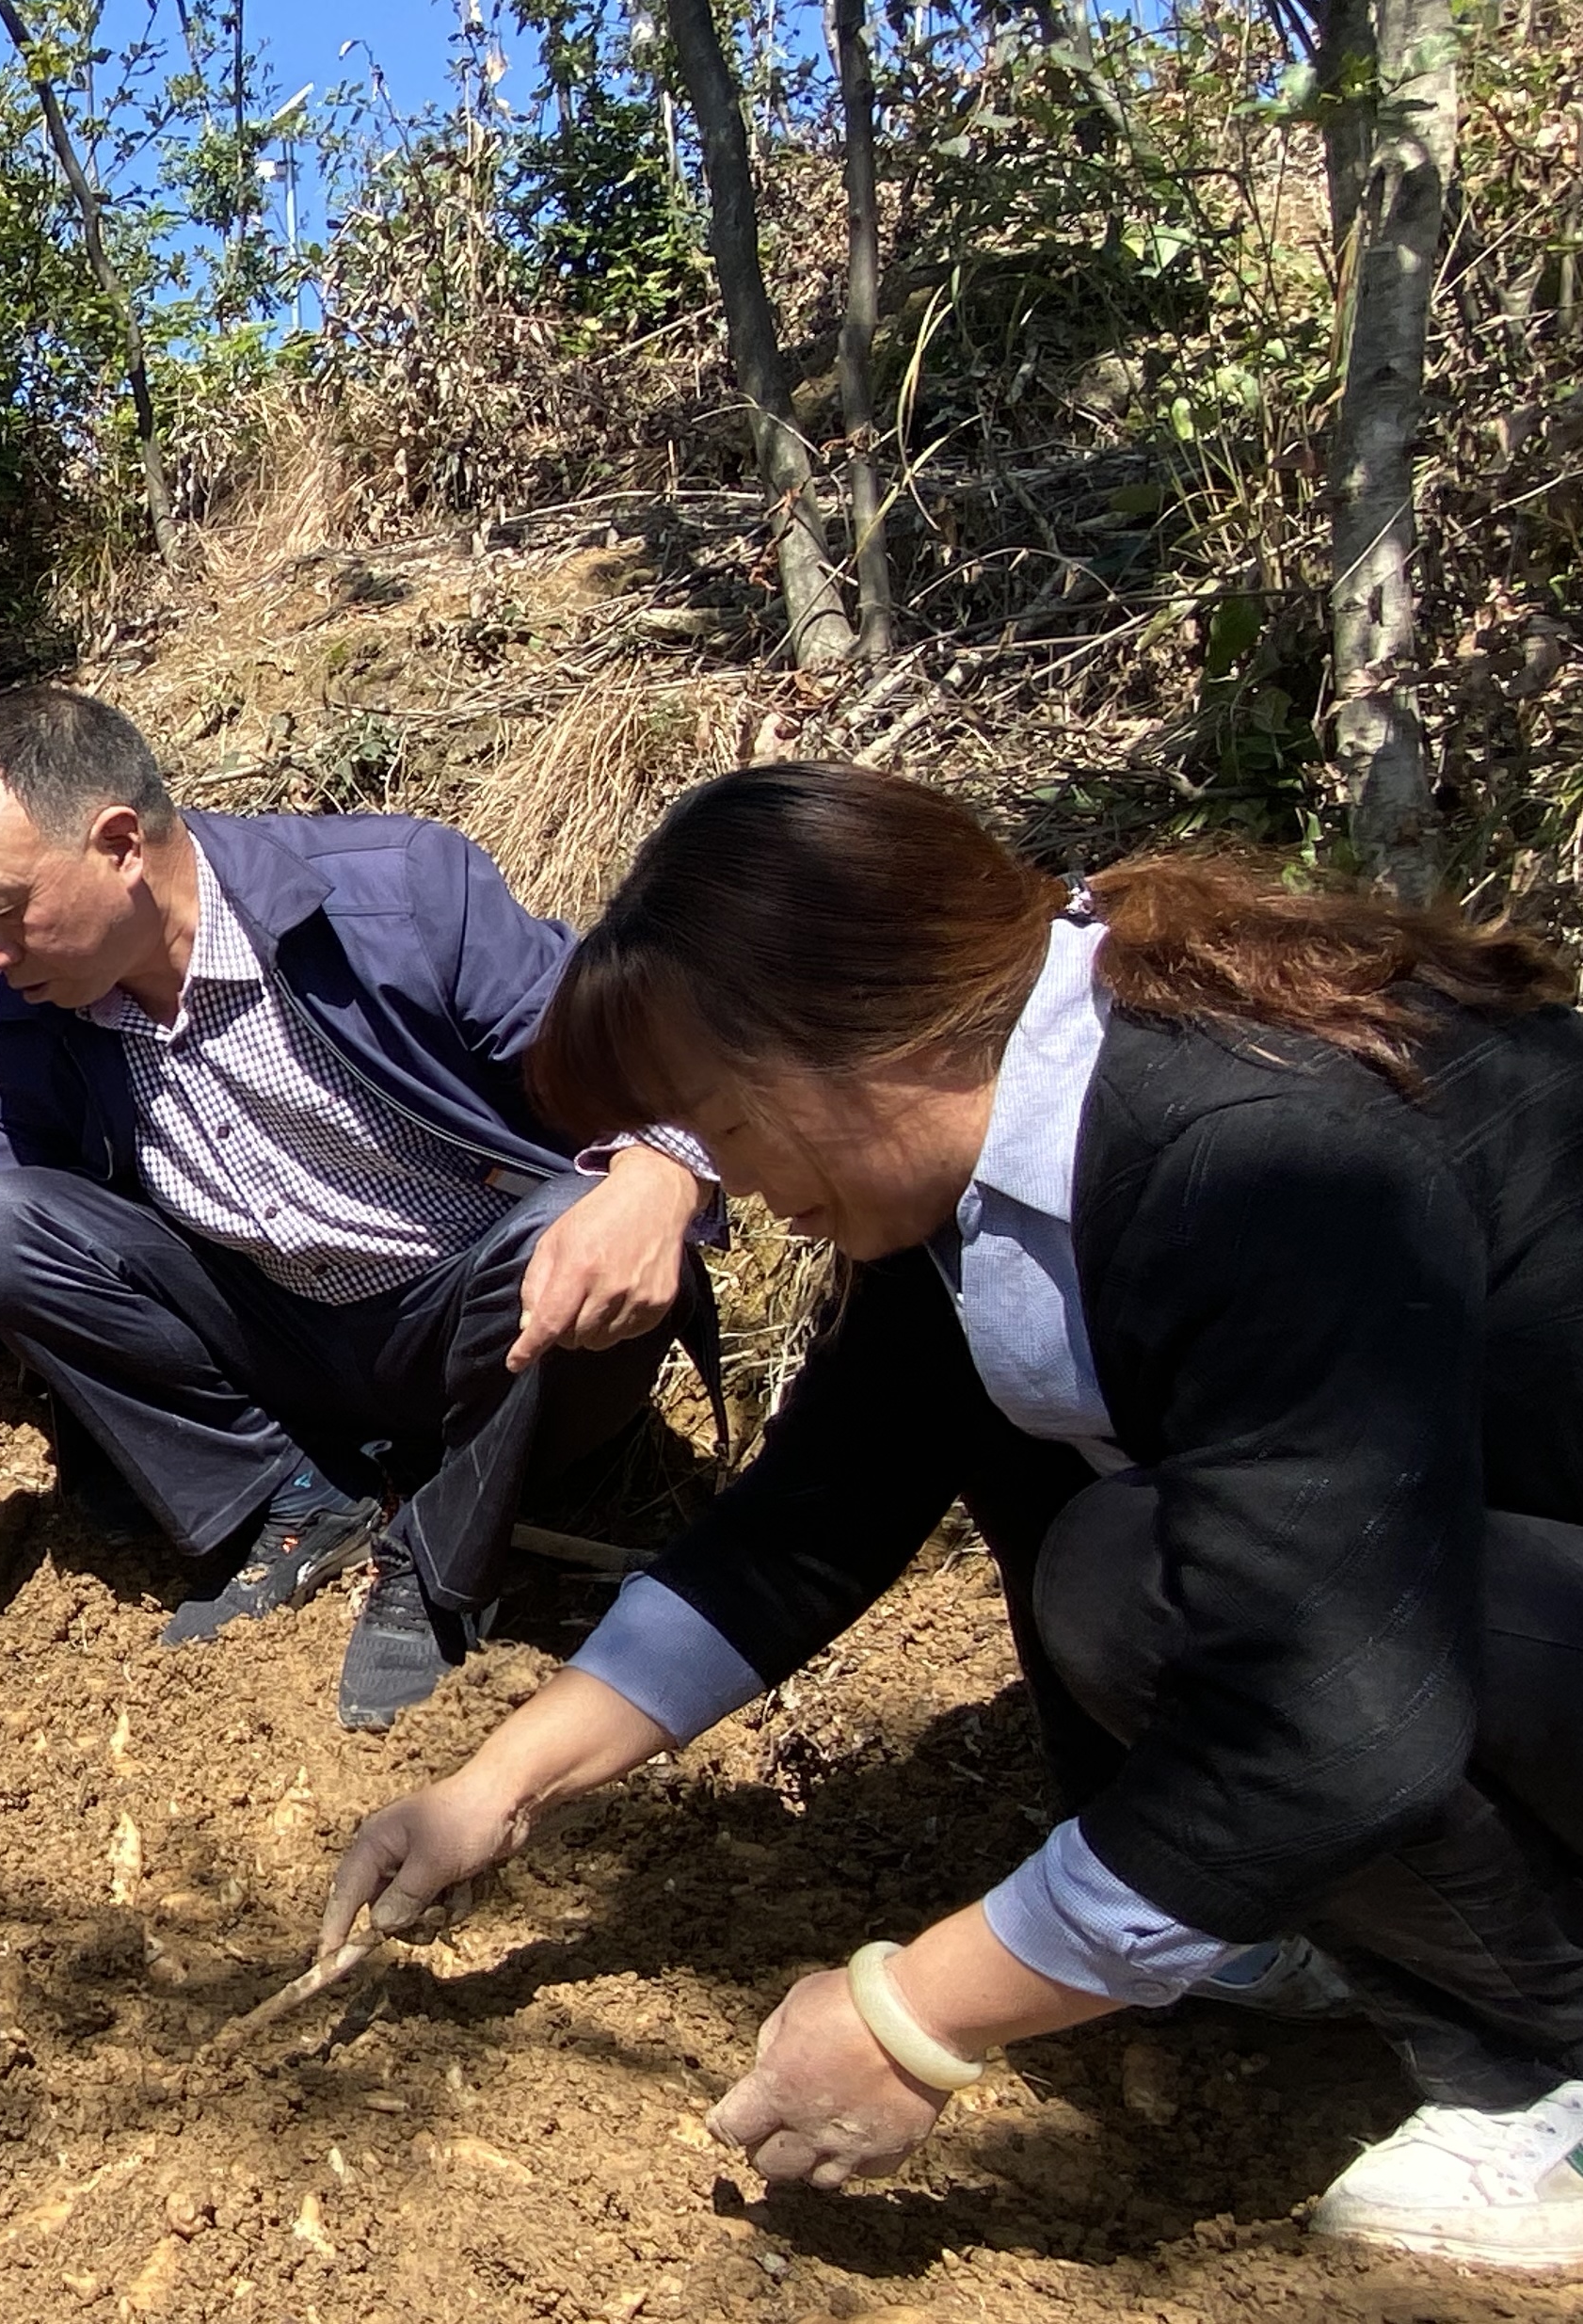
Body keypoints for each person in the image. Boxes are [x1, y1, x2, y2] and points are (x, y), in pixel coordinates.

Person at [314, 761, 1583, 2270]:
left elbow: (1334, 1710)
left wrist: (917, 2017)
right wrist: (495, 1789)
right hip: (1514, 1601)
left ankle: (1540, 2060)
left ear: (863, 1042)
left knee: (1137, 1582)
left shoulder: (1245, 1152)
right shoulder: (1000, 1163)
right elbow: (811, 1521)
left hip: (1487, 1614)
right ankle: (1277, 1904)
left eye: (718, 1120)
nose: (729, 1180)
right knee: (1068, 1477)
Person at [0, 693, 717, 1715]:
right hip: (287, 1341)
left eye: (5, 911)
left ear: (115, 845)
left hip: (499, 1334)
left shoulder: (394, 897)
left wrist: (662, 1174)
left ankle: (439, 1565)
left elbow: (645, 1071)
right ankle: (294, 1495)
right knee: (3, 1226)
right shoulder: (36, 1014)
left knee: (570, 1213)